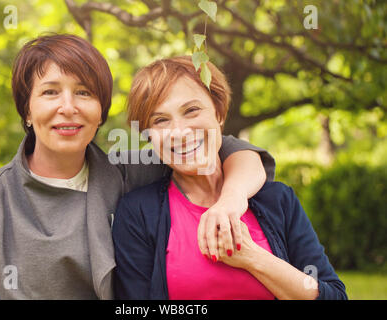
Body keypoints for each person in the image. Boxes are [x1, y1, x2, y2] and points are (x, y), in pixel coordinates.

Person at [0, 34, 275, 299]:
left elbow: (233, 150)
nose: (68, 107)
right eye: (50, 92)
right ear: (26, 110)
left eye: (84, 93)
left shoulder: (131, 173)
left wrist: (231, 200)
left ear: (101, 110)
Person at [112, 56, 348, 300]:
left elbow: (334, 296)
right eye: (161, 120)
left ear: (219, 113)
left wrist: (251, 257)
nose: (179, 132)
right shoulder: (138, 213)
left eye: (192, 110)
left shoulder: (278, 200)